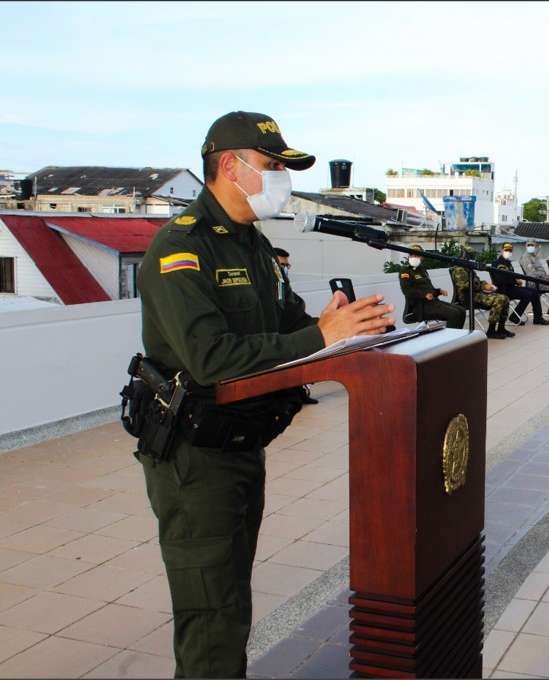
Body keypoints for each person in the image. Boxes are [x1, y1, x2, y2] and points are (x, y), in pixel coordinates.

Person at [135, 111, 394, 678]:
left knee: (230, 600)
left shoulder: (252, 244)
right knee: (212, 617)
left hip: (241, 443)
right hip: (194, 458)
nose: (282, 178)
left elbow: (288, 326)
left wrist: (339, 326)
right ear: (230, 166)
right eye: (272, 165)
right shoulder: (182, 248)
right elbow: (209, 359)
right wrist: (319, 337)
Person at [273, 247, 319, 405]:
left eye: (287, 266)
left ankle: (299, 391)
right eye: (281, 265)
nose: (284, 269)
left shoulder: (284, 285)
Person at [449, 247, 514, 339]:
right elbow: (465, 286)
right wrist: (482, 287)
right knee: (498, 299)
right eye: (472, 256)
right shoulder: (458, 269)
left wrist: (487, 285)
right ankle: (491, 331)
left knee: (505, 298)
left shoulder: (467, 268)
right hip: (468, 297)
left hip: (477, 294)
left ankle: (501, 328)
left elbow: (477, 281)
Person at [398, 245, 466, 328]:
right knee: (454, 313)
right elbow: (407, 290)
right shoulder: (405, 271)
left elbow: (429, 289)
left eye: (417, 255)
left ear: (422, 257)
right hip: (421, 306)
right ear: (409, 256)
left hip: (433, 303)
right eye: (412, 255)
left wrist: (439, 291)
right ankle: (450, 336)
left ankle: (458, 335)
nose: (414, 257)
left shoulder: (422, 270)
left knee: (462, 311)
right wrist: (424, 295)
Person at [491, 243, 549, 325]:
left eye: (510, 250)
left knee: (534, 291)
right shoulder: (496, 263)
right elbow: (500, 280)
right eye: (506, 250)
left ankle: (538, 317)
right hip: (503, 290)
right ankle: (515, 316)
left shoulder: (508, 263)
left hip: (511, 287)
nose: (508, 252)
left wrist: (516, 279)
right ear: (501, 251)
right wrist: (515, 282)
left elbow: (511, 276)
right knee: (528, 295)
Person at [519, 239, 549, 316]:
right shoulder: (525, 258)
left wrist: (546, 276)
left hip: (543, 280)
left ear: (535, 246)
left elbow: (541, 270)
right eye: (529, 245)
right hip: (534, 283)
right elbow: (531, 274)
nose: (530, 247)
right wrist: (544, 276)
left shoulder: (536, 257)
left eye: (532, 245)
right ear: (526, 246)